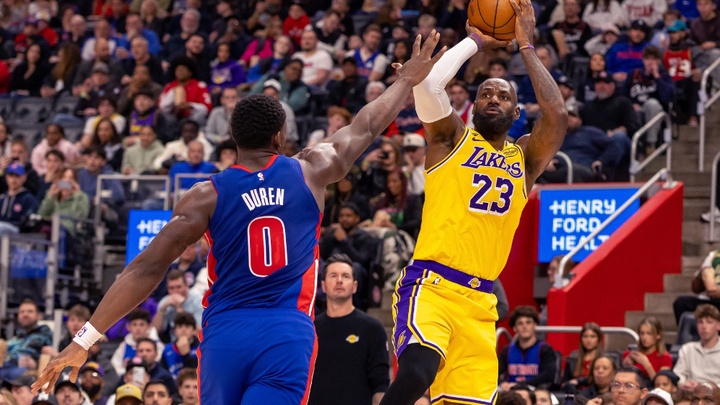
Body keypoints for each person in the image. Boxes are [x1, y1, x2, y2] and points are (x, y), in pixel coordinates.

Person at [33, 31, 445, 404]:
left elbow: (145, 268)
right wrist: (406, 81)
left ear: (232, 139)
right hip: (285, 332)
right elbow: (365, 125)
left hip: (225, 334)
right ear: (279, 136)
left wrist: (84, 339)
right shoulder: (311, 170)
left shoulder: (204, 195)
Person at [379, 5, 567, 403]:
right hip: (431, 286)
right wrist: (474, 40)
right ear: (474, 107)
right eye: (485, 94)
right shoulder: (450, 139)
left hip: (481, 303)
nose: (493, 98)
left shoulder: (525, 159)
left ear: (517, 112)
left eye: (503, 95)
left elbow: (557, 114)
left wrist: (526, 46)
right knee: (418, 369)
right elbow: (430, 87)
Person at [308, 254, 390, 405]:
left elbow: (380, 383)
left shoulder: (372, 328)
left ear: (354, 286)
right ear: (323, 286)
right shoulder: (310, 328)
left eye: (345, 276)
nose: (339, 280)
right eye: (333, 275)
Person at [498, 306, 558, 389]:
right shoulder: (507, 350)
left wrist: (521, 385)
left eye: (528, 322)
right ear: (514, 328)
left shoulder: (545, 349)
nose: (524, 326)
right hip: (511, 391)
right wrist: (502, 383)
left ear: (535, 325)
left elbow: (548, 375)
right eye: (520, 323)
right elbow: (494, 373)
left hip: (536, 391)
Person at [673, 304, 720, 389]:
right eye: (700, 322)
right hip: (691, 392)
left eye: (709, 322)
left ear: (718, 325)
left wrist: (705, 388)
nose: (704, 327)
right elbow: (678, 374)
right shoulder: (687, 349)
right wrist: (684, 383)